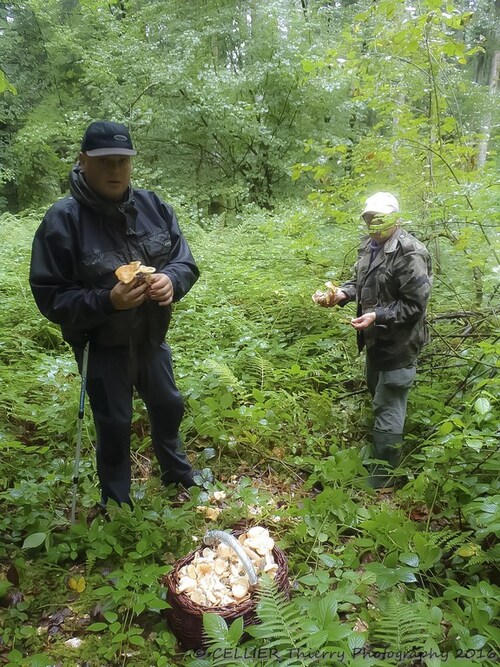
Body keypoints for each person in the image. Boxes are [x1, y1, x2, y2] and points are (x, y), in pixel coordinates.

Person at [29, 120, 201, 508]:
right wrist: (109, 301)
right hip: (101, 345)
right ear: (83, 161)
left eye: (123, 161)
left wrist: (172, 281)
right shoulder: (63, 220)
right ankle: (117, 502)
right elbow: (50, 297)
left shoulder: (154, 207)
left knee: (168, 404)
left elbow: (184, 262)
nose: (116, 170)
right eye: (105, 161)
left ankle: (178, 476)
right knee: (114, 423)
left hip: (151, 337)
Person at [314, 192, 432, 489]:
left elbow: (415, 306)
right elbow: (360, 283)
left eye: (379, 218)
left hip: (400, 345)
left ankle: (384, 479)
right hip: (374, 343)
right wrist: (341, 293)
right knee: (378, 398)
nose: (373, 224)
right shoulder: (369, 246)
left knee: (389, 405)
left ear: (395, 218)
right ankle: (382, 457)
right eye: (368, 218)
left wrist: (376, 316)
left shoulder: (410, 253)